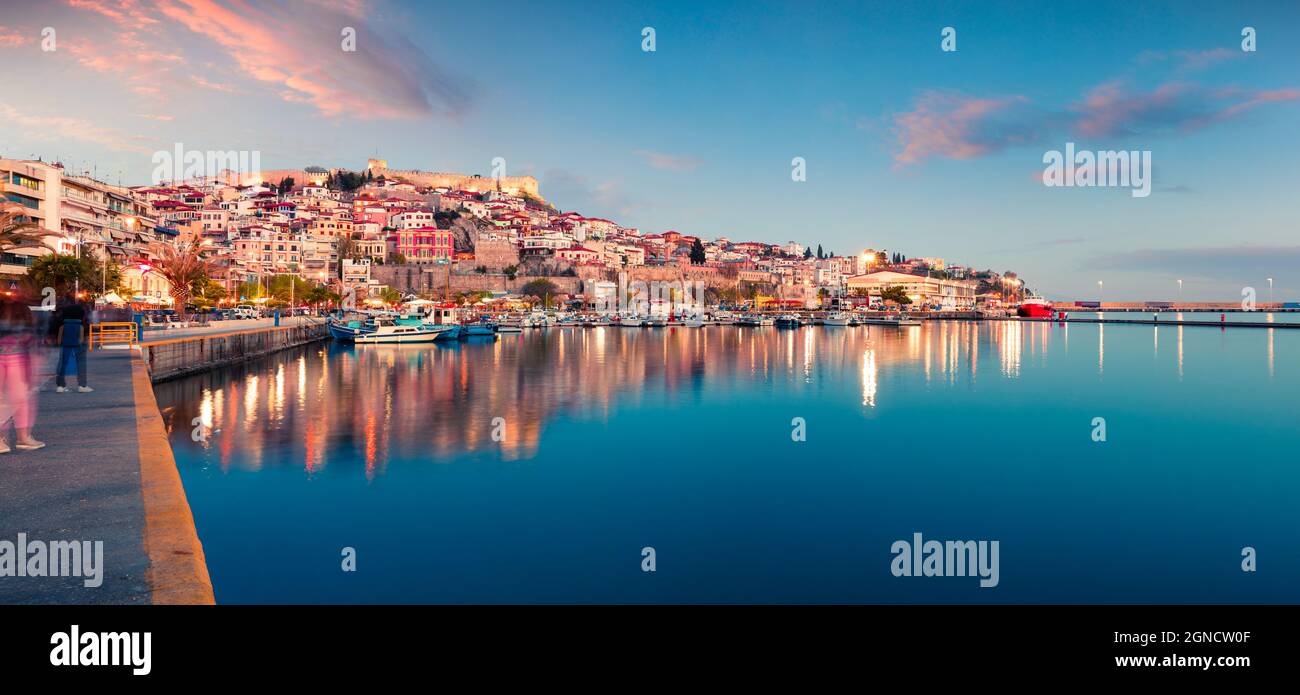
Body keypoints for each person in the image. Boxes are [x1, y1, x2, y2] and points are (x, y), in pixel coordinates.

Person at [0, 294, 44, 452]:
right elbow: (32, 340)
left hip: (13, 358)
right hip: (17, 358)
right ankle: (23, 437)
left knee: (7, 399)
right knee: (20, 399)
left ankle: (5, 439)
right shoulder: (23, 313)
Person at [54, 296, 93, 393]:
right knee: (81, 362)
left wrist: (58, 340)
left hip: (65, 339)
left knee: (63, 362)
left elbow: (57, 322)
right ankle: (82, 385)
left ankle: (60, 385)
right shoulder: (82, 308)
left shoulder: (63, 309)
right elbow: (86, 321)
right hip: (79, 338)